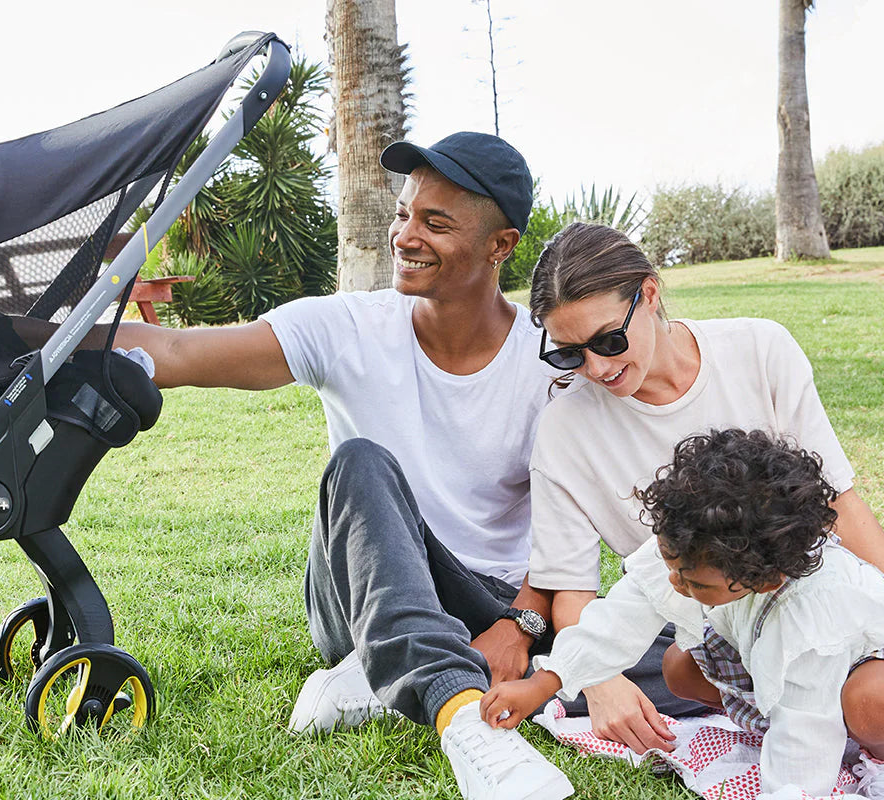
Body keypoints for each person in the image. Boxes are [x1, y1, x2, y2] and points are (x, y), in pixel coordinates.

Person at [105, 132, 604, 799]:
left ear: (501, 245)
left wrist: (521, 624)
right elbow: (175, 349)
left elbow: (566, 532)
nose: (405, 235)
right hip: (357, 594)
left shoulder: (547, 363)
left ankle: (376, 677)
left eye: (435, 222)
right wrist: (19, 335)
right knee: (361, 464)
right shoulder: (348, 327)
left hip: (484, 604)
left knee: (650, 648)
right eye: (403, 213)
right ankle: (458, 713)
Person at [522, 221, 884, 767]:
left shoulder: (757, 348)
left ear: (649, 295)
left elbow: (839, 506)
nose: (594, 369)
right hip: (767, 636)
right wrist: (601, 681)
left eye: (607, 340)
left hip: (853, 583)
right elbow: (571, 592)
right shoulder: (566, 430)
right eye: (568, 353)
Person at [486, 429, 884, 799]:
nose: (676, 584)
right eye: (671, 565)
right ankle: (787, 727)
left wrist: (791, 790)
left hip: (878, 653)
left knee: (873, 706)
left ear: (765, 579)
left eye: (695, 583)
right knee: (679, 663)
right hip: (763, 640)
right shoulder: (691, 547)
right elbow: (619, 619)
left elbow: (804, 727)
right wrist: (545, 682)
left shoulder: (808, 612)